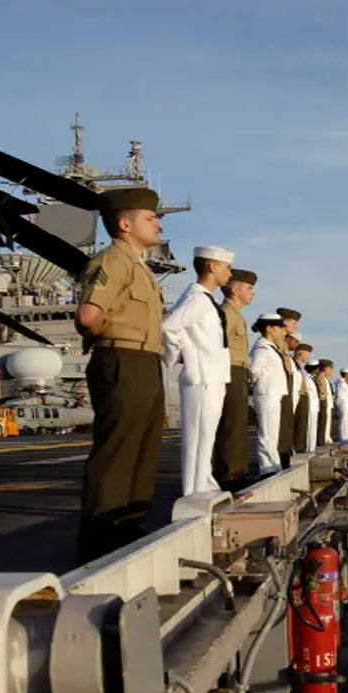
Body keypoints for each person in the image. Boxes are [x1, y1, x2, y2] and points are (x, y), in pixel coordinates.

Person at [74, 185, 166, 564]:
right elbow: (89, 315)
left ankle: (128, 525)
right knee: (117, 450)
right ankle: (98, 539)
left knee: (143, 448)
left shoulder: (138, 266)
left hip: (145, 361)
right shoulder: (112, 261)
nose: (158, 223)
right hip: (122, 359)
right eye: (150, 218)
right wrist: (108, 338)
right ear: (125, 224)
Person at [162, 246, 234, 497]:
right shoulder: (197, 299)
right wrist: (181, 357)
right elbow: (169, 328)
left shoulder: (205, 299)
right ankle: (193, 492)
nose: (230, 273)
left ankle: (204, 484)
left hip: (211, 378)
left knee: (206, 438)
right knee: (197, 439)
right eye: (226, 267)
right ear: (212, 267)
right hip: (202, 378)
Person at [213, 268, 256, 489]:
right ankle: (229, 475)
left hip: (238, 370)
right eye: (249, 288)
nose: (253, 293)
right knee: (230, 423)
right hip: (228, 369)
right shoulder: (225, 314)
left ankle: (237, 471)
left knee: (238, 423)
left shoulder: (236, 314)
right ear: (235, 289)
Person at [249, 313, 288, 476]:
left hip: (273, 393)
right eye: (279, 327)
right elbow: (254, 370)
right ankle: (266, 467)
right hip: (266, 393)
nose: (282, 331)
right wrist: (259, 386)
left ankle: (273, 465)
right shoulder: (262, 348)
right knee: (266, 433)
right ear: (269, 328)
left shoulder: (270, 347)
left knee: (272, 433)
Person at [274, 308, 301, 467]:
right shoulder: (278, 342)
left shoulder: (282, 343)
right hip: (277, 390)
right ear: (284, 322)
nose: (296, 326)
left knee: (285, 427)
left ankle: (284, 457)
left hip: (285, 389)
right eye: (294, 323)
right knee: (276, 429)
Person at [295, 344, 317, 452]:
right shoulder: (295, 367)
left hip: (305, 400)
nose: (309, 358)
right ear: (300, 353)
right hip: (298, 398)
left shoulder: (301, 370)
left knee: (303, 428)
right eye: (307, 354)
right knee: (299, 428)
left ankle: (303, 449)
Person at [334, 368, 348, 442]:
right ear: (346, 374)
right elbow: (341, 395)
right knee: (343, 422)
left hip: (345, 403)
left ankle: (345, 437)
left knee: (345, 421)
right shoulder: (341, 382)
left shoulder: (344, 383)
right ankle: (342, 438)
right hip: (342, 403)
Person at [316, 359, 335, 445]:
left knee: (327, 423)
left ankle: (326, 439)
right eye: (330, 369)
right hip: (323, 404)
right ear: (325, 368)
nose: (332, 371)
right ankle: (322, 441)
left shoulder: (326, 379)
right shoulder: (320, 378)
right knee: (323, 424)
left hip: (328, 404)